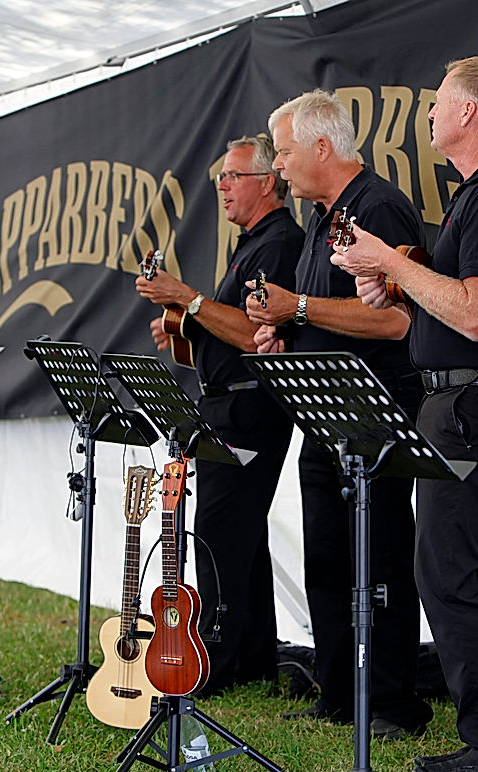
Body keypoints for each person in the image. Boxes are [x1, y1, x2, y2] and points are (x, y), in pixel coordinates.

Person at [332, 56, 478, 772]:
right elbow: (445, 306)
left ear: (467, 112)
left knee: (447, 574)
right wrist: (392, 281)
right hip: (470, 400)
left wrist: (389, 264)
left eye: (436, 105)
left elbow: (477, 311)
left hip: (475, 406)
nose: (427, 114)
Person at [244, 89, 432, 739]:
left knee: (379, 555)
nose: (281, 168)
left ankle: (392, 700)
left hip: (375, 413)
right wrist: (282, 334)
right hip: (324, 413)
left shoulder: (379, 207)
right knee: (326, 555)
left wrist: (295, 310)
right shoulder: (323, 219)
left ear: (324, 148)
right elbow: (315, 311)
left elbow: (395, 317)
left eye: (288, 153)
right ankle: (337, 690)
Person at [134, 134, 302, 697]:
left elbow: (256, 334)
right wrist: (182, 323)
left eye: (232, 177)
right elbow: (221, 328)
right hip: (232, 398)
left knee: (217, 533)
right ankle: (252, 657)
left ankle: (215, 661)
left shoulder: (279, 243)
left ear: (266, 182)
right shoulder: (254, 242)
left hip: (252, 403)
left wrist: (189, 299)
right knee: (243, 537)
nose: (222, 187)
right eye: (220, 179)